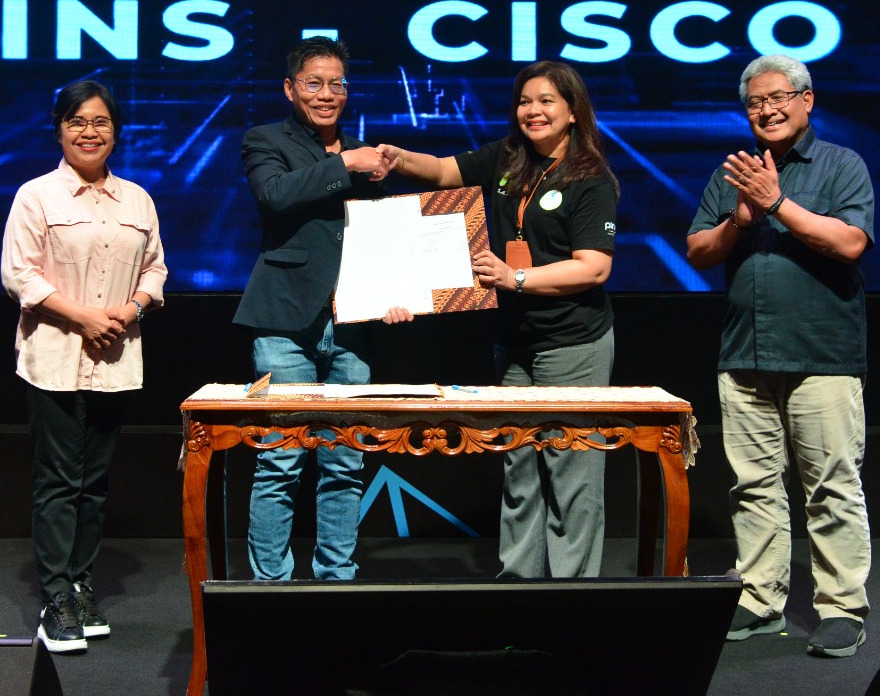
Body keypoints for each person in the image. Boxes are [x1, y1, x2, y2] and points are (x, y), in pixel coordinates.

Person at [380, 60, 618, 579]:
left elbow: (594, 268)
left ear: (573, 112)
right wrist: (398, 158)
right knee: (519, 466)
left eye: (547, 101)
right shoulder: (508, 157)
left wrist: (515, 278)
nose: (533, 111)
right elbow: (442, 172)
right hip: (513, 343)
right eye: (525, 101)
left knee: (572, 472)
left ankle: (574, 594)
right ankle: (519, 586)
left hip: (572, 343)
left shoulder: (590, 177)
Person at [685, 54, 875, 659]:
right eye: (755, 102)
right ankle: (760, 598)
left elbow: (850, 243)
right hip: (744, 354)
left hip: (822, 354)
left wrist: (776, 204)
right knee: (753, 484)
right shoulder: (734, 173)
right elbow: (698, 250)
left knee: (832, 486)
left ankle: (842, 608)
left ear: (806, 100)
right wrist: (739, 221)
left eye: (778, 98)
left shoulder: (842, 165)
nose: (766, 110)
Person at [1, 80, 167, 654]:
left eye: (100, 122)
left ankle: (80, 585)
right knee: (58, 480)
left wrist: (130, 309)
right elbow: (20, 275)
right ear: (59, 130)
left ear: (115, 132)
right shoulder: (36, 196)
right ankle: (55, 599)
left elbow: (155, 270)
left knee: (94, 482)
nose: (89, 132)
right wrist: (84, 318)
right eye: (77, 121)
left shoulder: (138, 200)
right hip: (53, 355)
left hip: (115, 356)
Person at [233, 36, 393, 581]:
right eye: (314, 83)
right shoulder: (265, 140)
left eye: (337, 84)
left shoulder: (368, 155)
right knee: (279, 460)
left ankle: (336, 580)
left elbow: (382, 238)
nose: (327, 95)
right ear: (290, 88)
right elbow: (274, 195)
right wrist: (345, 163)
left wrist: (395, 294)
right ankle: (270, 587)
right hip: (284, 320)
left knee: (345, 461)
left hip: (353, 324)